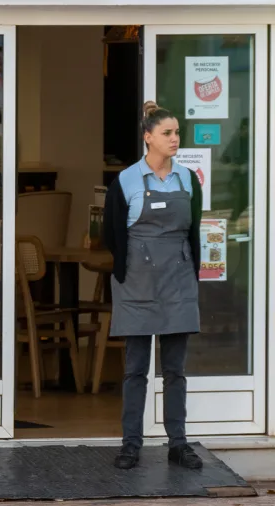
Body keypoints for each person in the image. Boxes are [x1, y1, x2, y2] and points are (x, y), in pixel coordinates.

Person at [103, 101, 203, 471]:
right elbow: (111, 235)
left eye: (177, 132)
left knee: (175, 370)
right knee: (135, 369)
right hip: (137, 283)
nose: (175, 139)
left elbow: (193, 231)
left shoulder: (188, 180)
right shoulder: (126, 181)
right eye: (167, 133)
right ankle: (131, 445)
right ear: (149, 138)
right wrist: (136, 266)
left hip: (178, 281)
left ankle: (179, 444)